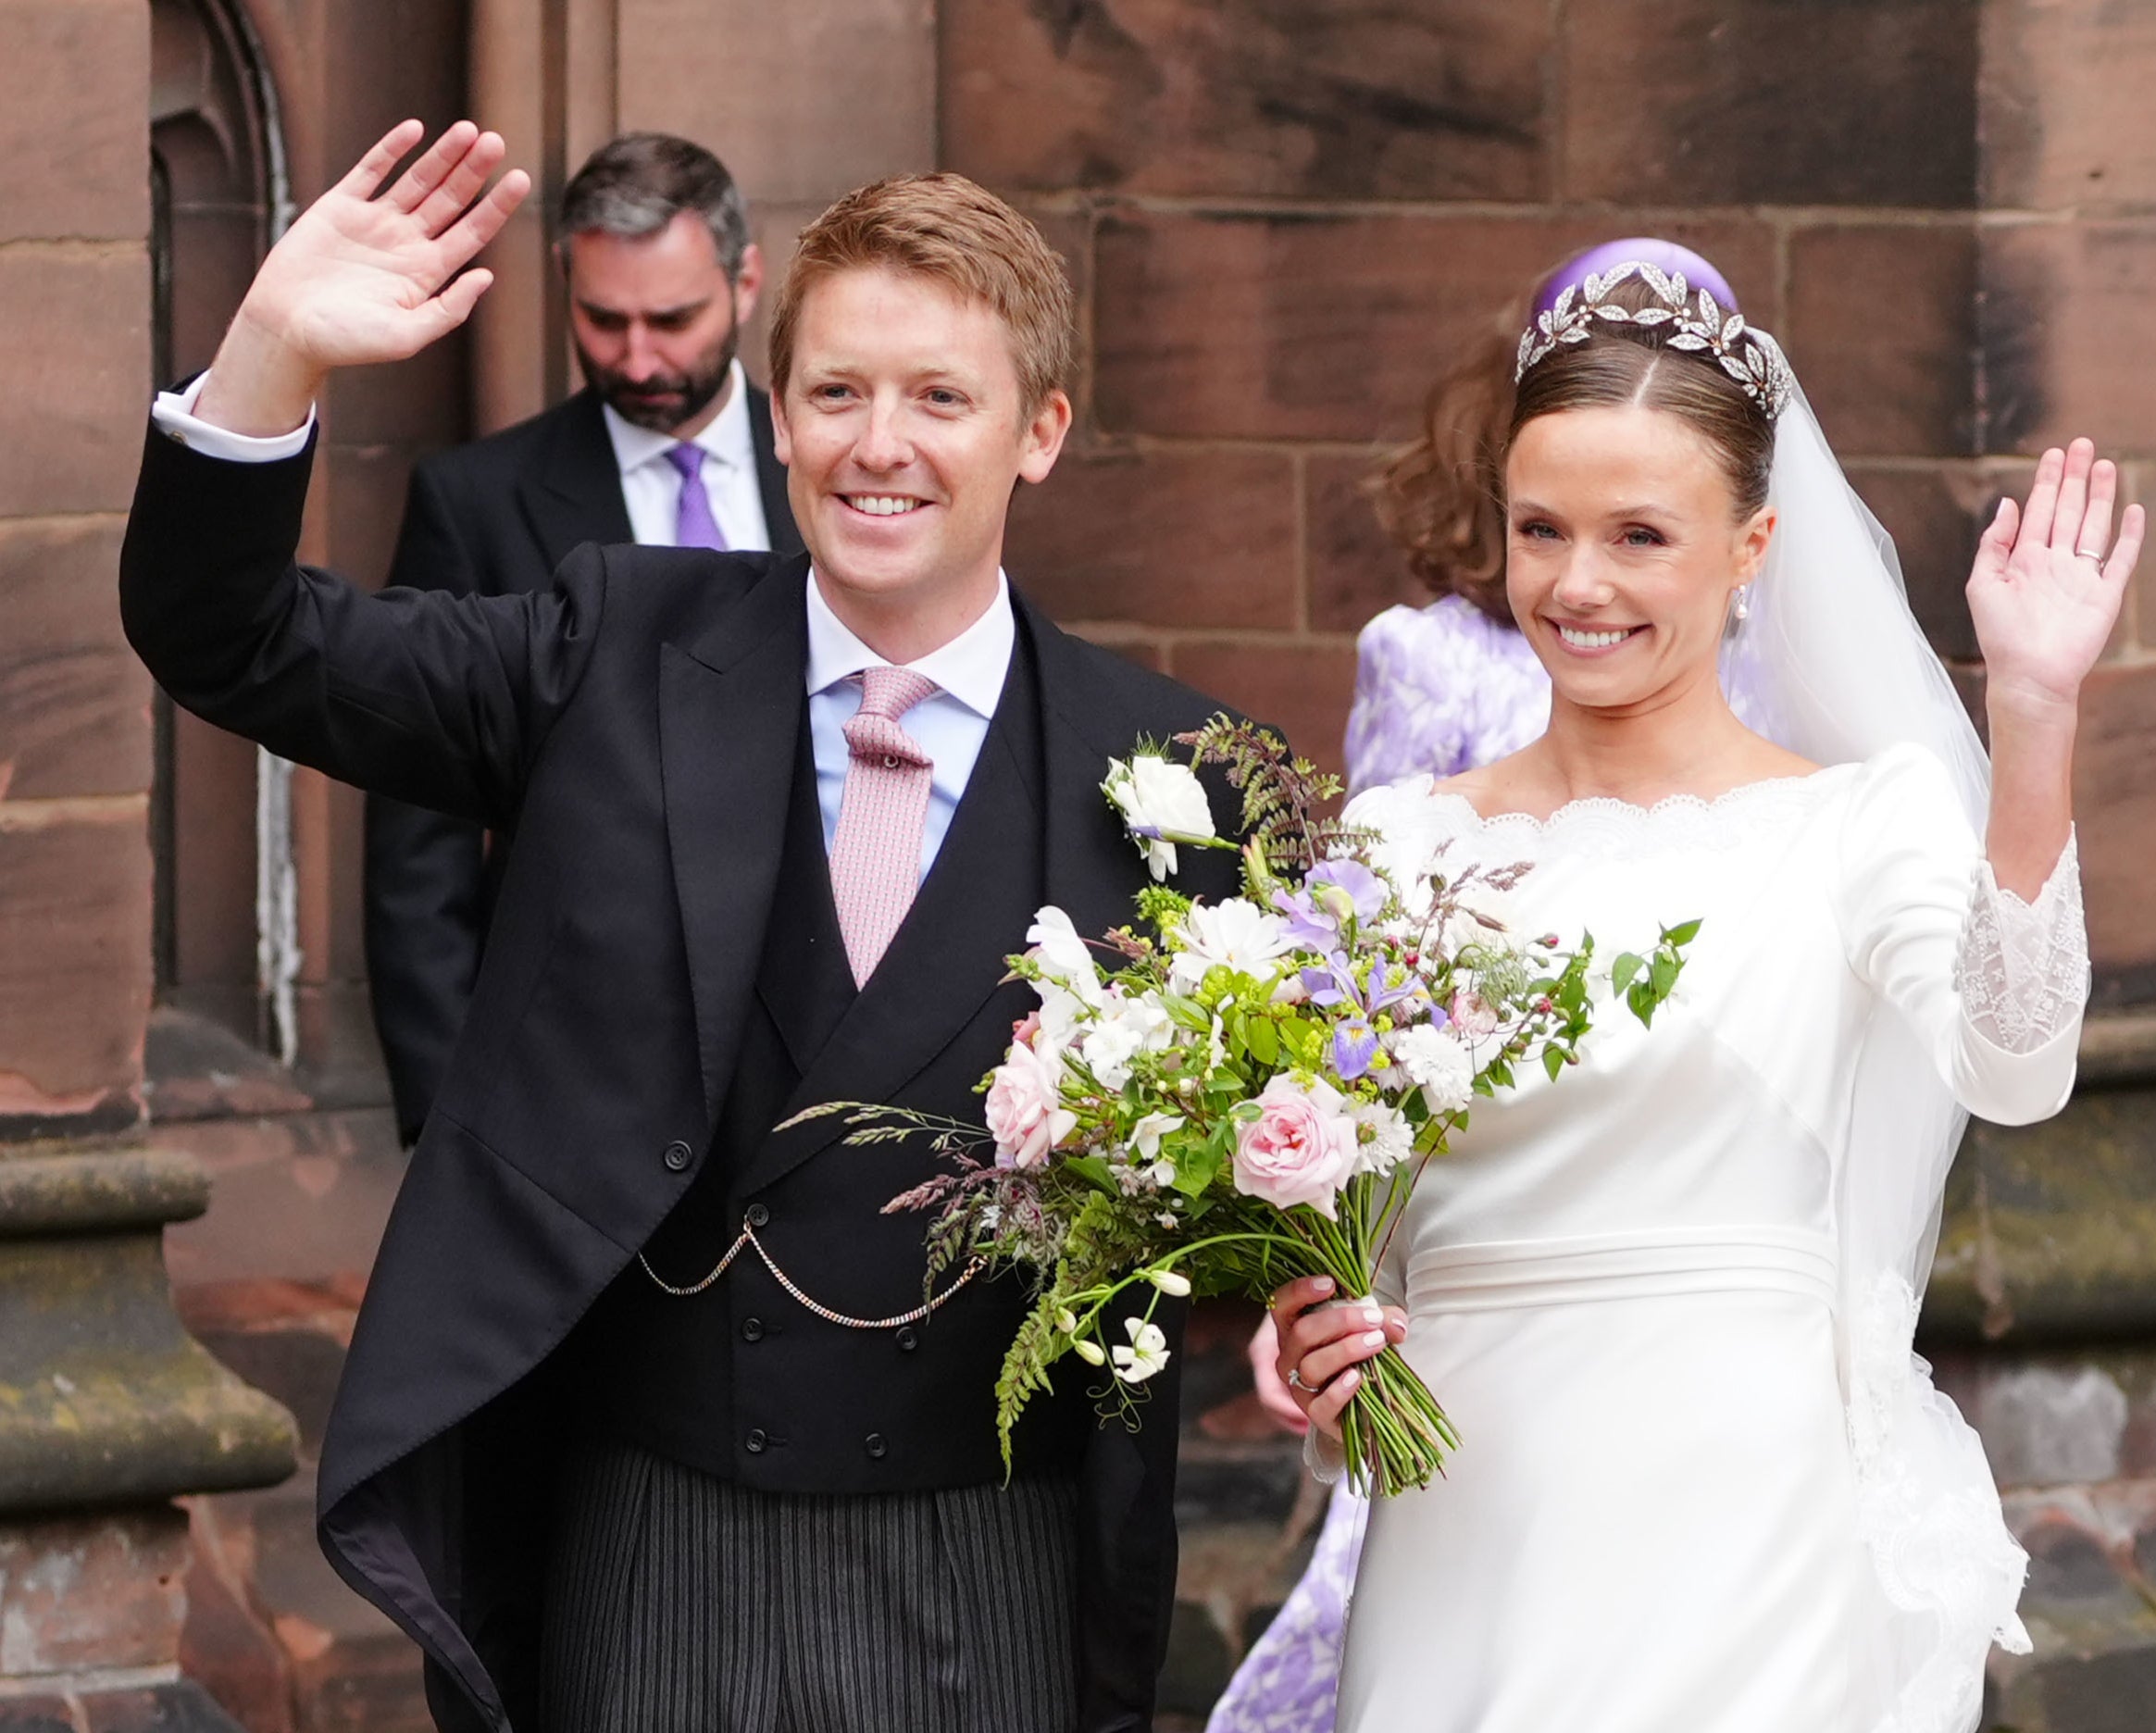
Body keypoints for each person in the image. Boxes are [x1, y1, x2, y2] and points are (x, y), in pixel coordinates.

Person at [122, 120, 1246, 1733]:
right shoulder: (610, 651)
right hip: (657, 1548)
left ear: (1040, 430)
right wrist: (270, 353)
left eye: (941, 397)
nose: (882, 444)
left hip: (986, 1566)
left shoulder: (1174, 789)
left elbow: (1257, 1174)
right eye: (840, 392)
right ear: (778, 412)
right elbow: (228, 637)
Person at [1270, 254, 2142, 1730]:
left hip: (1746, 1528)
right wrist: (1318, 1318)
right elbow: (1355, 1218)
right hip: (1464, 1514)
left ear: (1750, 549)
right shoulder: (1393, 844)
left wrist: (2034, 712)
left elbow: (2013, 1063)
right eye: (1538, 530)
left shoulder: (1855, 822)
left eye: (1637, 535)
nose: (1576, 583)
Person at [1211, 240, 1735, 1733]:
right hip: (1487, 1255)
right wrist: (1328, 1250)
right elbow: (1361, 985)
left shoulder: (1787, 682)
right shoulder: (1434, 665)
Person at [365, 131, 803, 1149]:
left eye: (671, 319)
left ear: (745, 281)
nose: (638, 358)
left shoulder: (835, 463)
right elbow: (416, 842)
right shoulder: (474, 501)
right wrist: (447, 1121)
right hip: (570, 1069)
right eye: (602, 320)